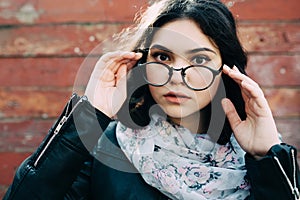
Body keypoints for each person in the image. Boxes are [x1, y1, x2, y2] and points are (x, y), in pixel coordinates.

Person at [4, 0, 299, 199]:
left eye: (198, 59)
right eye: (162, 56)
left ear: (226, 69)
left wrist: (267, 156)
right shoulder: (105, 149)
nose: (175, 75)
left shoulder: (259, 160)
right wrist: (86, 119)